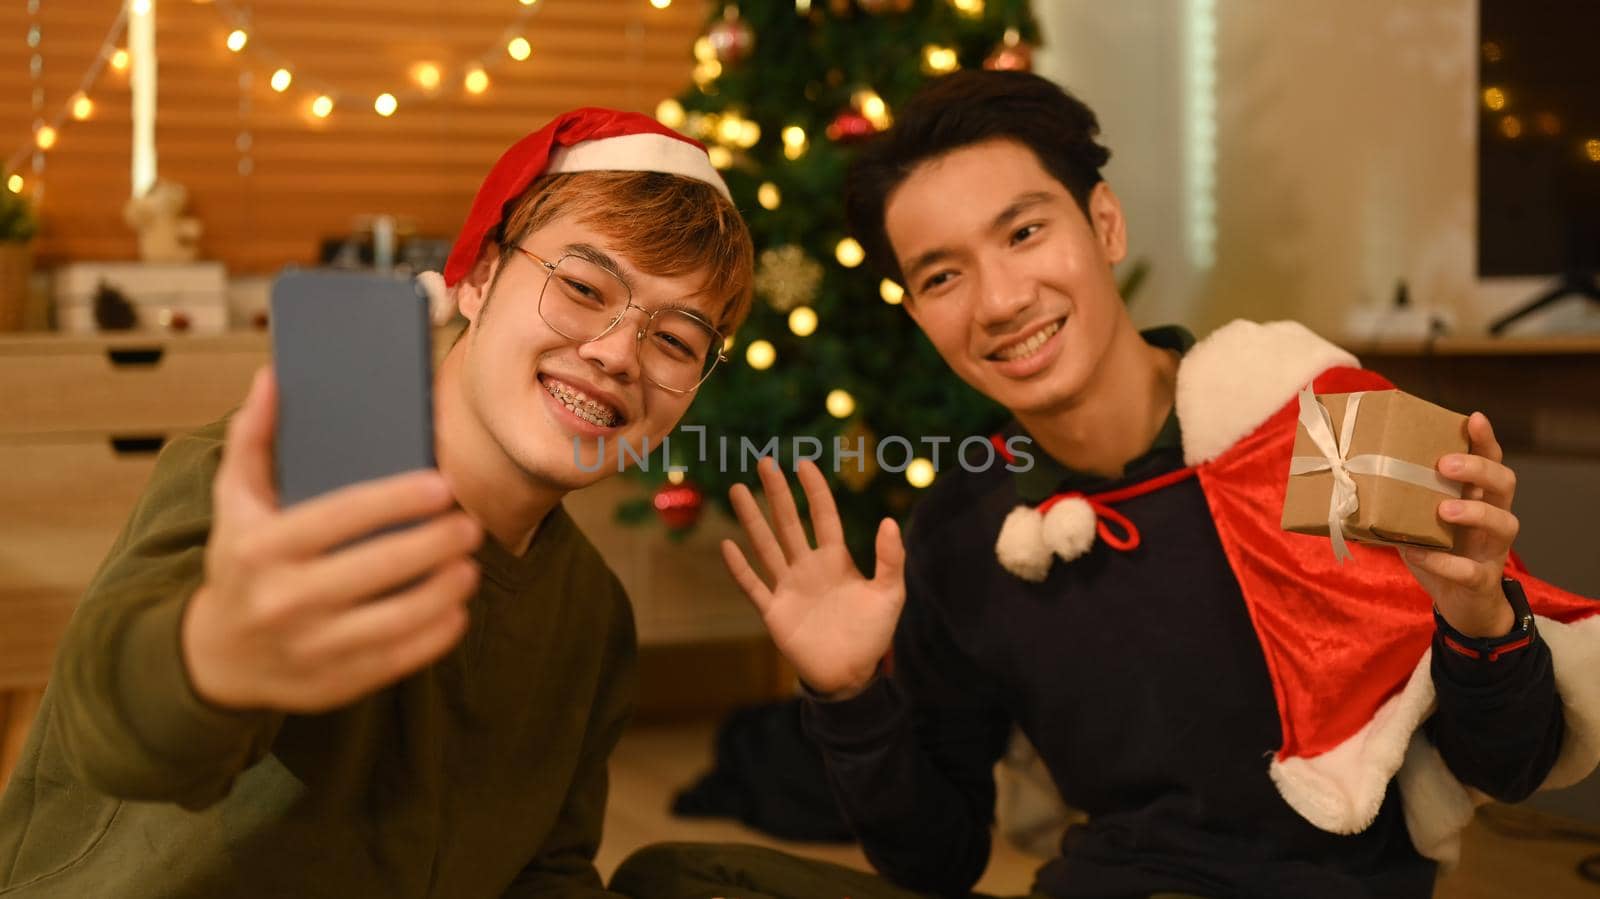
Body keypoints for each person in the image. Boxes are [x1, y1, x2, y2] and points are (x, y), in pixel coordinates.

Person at [609, 71, 1600, 899]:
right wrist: (848, 694)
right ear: (916, 312)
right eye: (941, 275)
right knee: (672, 875)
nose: (999, 300)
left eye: (1024, 234)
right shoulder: (963, 528)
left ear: (1105, 225)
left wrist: (1479, 616)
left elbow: (1507, 765)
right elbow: (940, 859)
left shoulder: (1307, 427)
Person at [0, 108, 753, 897]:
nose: (615, 353)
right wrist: (212, 652)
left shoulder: (594, 616)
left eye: (674, 340)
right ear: (481, 277)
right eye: (582, 286)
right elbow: (110, 725)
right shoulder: (277, 487)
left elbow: (547, 866)